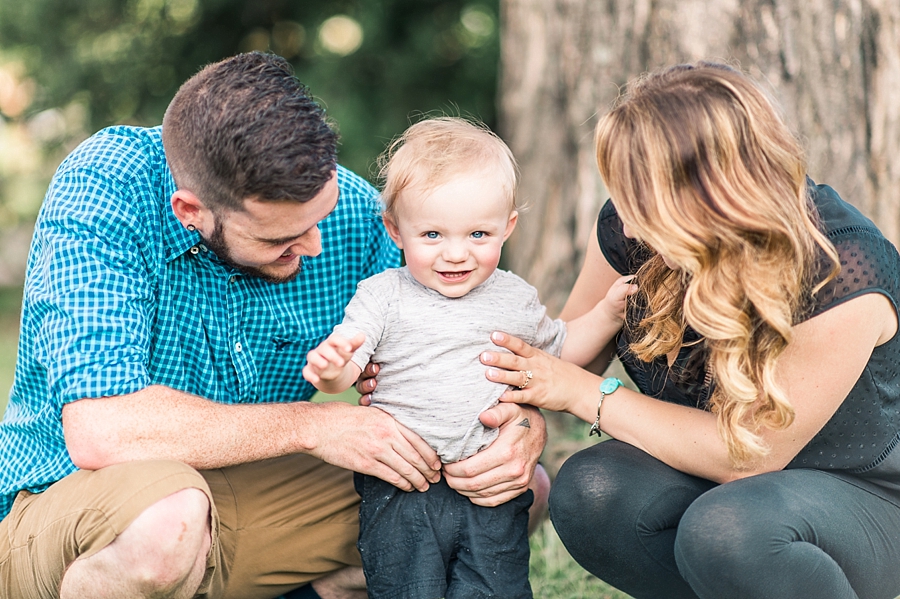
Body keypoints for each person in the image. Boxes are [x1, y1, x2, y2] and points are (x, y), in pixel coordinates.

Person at [0, 53, 547, 599]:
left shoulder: (351, 211)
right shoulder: (105, 187)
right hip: (73, 504)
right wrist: (312, 427)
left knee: (503, 496)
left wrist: (522, 424)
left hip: (252, 494)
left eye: (318, 219)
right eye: (278, 238)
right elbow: (102, 430)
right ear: (191, 210)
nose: (313, 245)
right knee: (166, 526)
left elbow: (464, 328)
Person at [478, 62, 900, 599]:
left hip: (859, 492)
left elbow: (750, 457)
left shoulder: (841, 268)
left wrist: (585, 393)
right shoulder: (633, 230)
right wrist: (515, 418)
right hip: (715, 479)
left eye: (642, 200)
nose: (625, 223)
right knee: (593, 490)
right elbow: (567, 358)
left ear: (714, 195)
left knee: (730, 532)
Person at [303, 117, 635, 599]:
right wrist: (334, 371)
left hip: (489, 484)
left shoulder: (514, 298)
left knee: (494, 586)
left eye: (478, 235)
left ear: (508, 227)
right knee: (406, 586)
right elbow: (352, 365)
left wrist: (606, 314)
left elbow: (560, 352)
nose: (455, 254)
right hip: (402, 485)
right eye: (433, 235)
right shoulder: (382, 296)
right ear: (395, 230)